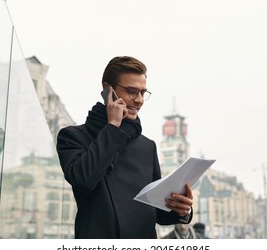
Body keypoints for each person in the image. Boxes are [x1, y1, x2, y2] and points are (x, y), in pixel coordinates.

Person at [56, 56, 193, 239]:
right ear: (107, 90)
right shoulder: (73, 136)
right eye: (131, 91)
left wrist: (182, 211)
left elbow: (157, 213)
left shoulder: (147, 146)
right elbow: (83, 180)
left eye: (143, 93)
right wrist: (113, 126)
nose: (139, 100)